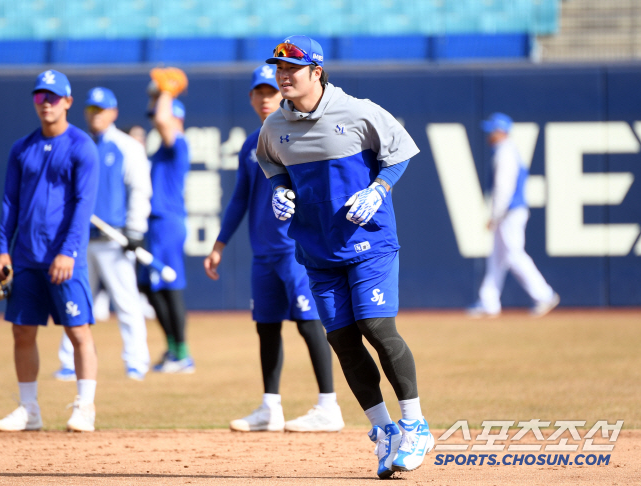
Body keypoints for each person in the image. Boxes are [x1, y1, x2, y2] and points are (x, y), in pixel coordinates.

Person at [256, 36, 433, 478]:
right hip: (317, 250)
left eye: (291, 68)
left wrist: (380, 188)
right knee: (342, 340)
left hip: (369, 242)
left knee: (375, 325)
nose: (282, 75)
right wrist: (280, 191)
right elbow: (272, 165)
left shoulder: (358, 111)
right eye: (278, 67)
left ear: (316, 71)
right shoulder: (274, 127)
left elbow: (401, 152)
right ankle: (384, 430)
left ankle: (415, 424)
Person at [204, 65, 344, 433]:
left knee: (309, 323)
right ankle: (270, 407)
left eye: (271, 91)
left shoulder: (299, 134)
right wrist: (219, 244)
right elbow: (239, 199)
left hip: (296, 250)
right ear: (251, 97)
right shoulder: (252, 143)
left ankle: (328, 405)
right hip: (263, 251)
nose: (265, 97)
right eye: (259, 92)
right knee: (266, 327)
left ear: (282, 92)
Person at [0, 70, 99, 432]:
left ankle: (85, 406)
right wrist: (2, 251)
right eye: (40, 97)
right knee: (22, 331)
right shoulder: (22, 148)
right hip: (25, 256)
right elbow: (10, 203)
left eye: (53, 97)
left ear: (68, 102)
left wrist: (69, 251)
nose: (47, 103)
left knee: (78, 331)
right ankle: (28, 409)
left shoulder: (82, 145)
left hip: (64, 258)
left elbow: (84, 205)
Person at [53, 87, 152, 382]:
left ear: (113, 113)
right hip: (80, 239)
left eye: (101, 110)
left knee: (126, 303)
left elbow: (140, 188)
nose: (95, 115)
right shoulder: (77, 144)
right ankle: (68, 362)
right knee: (73, 300)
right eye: (91, 110)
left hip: (114, 240)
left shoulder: (127, 147)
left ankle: (136, 361)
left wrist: (136, 228)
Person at [467, 113, 560, 318]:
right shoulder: (506, 151)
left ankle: (544, 294)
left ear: (501, 132)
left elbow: (503, 188)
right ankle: (488, 301)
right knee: (498, 257)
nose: (488, 135)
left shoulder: (505, 153)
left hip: (510, 212)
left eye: (492, 131)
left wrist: (495, 214)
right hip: (509, 212)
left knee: (514, 254)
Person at [140, 79, 194, 373]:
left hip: (168, 224)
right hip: (156, 224)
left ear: (178, 118)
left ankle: (182, 354)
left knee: (169, 287)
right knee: (148, 286)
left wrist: (166, 89)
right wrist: (156, 94)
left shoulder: (179, 145)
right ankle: (174, 349)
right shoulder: (163, 149)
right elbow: (157, 114)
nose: (156, 122)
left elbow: (162, 117)